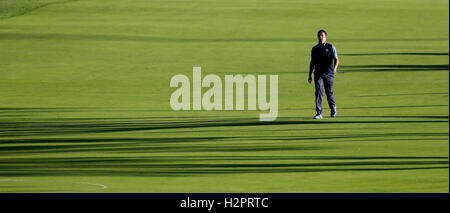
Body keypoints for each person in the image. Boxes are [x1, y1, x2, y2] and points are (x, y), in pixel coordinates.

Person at [308, 29, 339, 119]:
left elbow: (336, 59)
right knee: (318, 92)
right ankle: (319, 112)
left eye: (322, 35)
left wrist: (335, 68)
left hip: (328, 74)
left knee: (329, 92)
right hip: (318, 73)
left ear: (326, 37)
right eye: (319, 35)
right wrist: (309, 75)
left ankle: (333, 109)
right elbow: (312, 62)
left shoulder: (330, 47)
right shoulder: (314, 49)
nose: (320, 37)